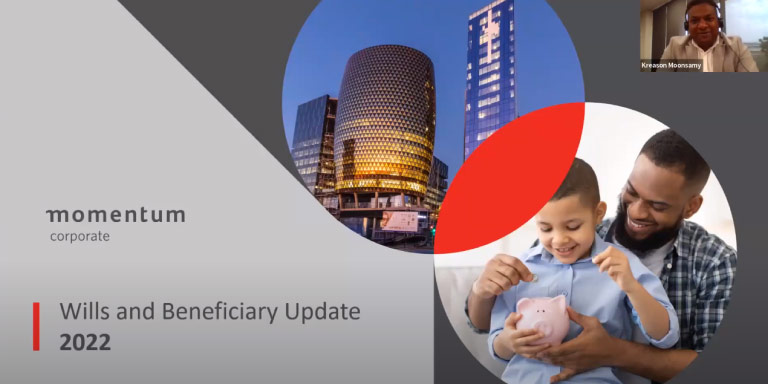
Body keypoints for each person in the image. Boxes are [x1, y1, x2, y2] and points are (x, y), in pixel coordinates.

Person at [467, 129, 737, 383]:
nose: (637, 212)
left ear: (691, 206)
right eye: (631, 192)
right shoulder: (544, 252)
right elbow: (486, 328)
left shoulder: (715, 262)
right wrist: (482, 292)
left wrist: (613, 350)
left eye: (657, 205)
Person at [489, 158, 679, 383]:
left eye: (572, 226)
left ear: (598, 213)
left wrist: (632, 287)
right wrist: (508, 342)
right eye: (546, 228)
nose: (559, 239)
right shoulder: (520, 269)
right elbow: (497, 346)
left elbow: (665, 337)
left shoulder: (621, 265)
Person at [658, 0, 758, 72]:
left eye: (709, 19)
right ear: (687, 26)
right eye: (695, 21)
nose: (702, 26)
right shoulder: (675, 46)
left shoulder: (736, 46)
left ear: (719, 23)